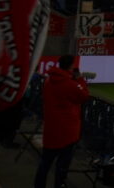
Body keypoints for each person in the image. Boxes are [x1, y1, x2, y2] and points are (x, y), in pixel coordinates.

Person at [35, 56, 90, 188]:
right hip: (67, 130)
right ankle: (59, 185)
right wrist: (80, 79)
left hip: (51, 128)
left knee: (45, 162)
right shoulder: (70, 84)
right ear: (70, 67)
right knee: (62, 165)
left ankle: (38, 185)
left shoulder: (48, 81)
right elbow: (84, 96)